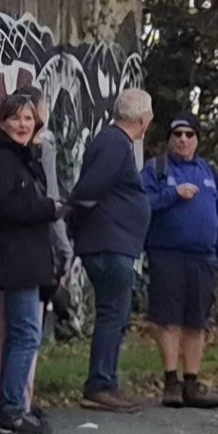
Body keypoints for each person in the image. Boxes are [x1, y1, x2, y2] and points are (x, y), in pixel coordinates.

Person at [0, 86, 71, 425]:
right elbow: (0, 206)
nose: (23, 124)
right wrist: (48, 209)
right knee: (23, 334)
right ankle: (11, 408)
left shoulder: (20, 158)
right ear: (2, 122)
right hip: (13, 263)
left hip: (17, 261)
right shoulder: (2, 159)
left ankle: (12, 404)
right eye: (16, 118)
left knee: (17, 333)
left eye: (28, 118)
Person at [68, 87, 153, 413]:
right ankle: (101, 383)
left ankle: (107, 381)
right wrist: (78, 224)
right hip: (109, 243)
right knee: (113, 314)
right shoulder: (115, 144)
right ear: (144, 120)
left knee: (115, 314)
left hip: (110, 241)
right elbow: (89, 189)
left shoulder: (112, 142)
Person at [140, 113, 218, 408]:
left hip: (204, 257)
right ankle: (171, 381)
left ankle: (192, 382)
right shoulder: (157, 169)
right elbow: (141, 206)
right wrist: (173, 194)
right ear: (169, 139)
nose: (183, 140)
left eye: (189, 135)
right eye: (177, 134)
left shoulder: (211, 172)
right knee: (168, 319)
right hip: (167, 254)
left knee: (196, 321)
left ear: (197, 139)